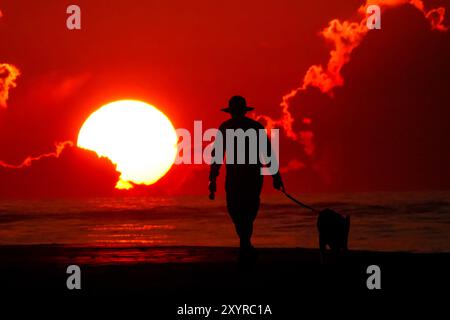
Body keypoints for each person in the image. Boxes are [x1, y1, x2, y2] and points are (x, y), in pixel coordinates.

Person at [208, 95, 284, 260]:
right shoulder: (254, 127)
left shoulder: (227, 127)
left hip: (239, 176)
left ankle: (244, 243)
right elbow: (267, 153)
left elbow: (217, 156)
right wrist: (275, 176)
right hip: (250, 176)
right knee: (245, 210)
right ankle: (245, 243)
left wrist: (213, 178)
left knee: (238, 210)